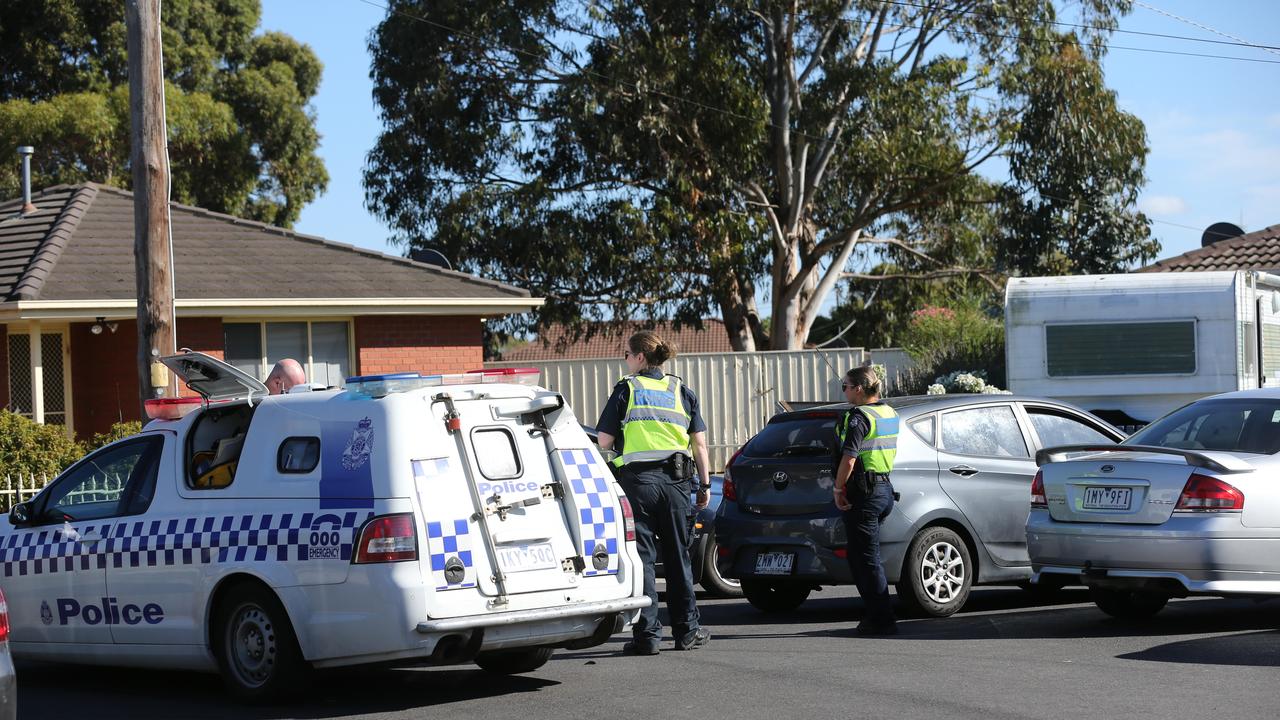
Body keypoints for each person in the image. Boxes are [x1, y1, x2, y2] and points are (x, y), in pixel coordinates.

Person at [596, 330, 712, 655]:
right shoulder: (681, 390)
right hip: (677, 484)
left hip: (638, 485)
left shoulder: (627, 389)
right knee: (679, 559)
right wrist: (704, 485)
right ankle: (687, 632)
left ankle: (647, 637)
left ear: (641, 358)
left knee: (644, 559)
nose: (625, 360)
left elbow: (604, 441)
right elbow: (699, 444)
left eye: (627, 354)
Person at [833, 365, 899, 636]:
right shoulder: (889, 412)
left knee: (867, 558)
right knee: (860, 556)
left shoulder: (859, 417)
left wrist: (838, 489)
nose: (844, 390)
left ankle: (882, 618)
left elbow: (849, 458)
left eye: (845, 386)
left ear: (859, 389)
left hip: (865, 492)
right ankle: (875, 614)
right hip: (883, 489)